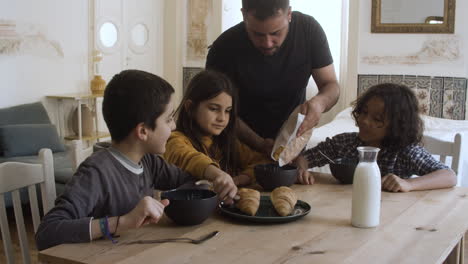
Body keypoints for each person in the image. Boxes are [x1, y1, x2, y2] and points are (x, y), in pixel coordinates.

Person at [36, 70, 198, 250]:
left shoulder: (148, 162)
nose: (173, 126)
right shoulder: (95, 172)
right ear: (143, 131)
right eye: (168, 120)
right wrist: (123, 222)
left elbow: (190, 183)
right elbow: (47, 232)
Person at [206, 0, 340, 155]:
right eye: (257, 34)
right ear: (243, 15)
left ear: (289, 14)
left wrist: (320, 103)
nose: (268, 43)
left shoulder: (308, 30)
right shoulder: (223, 48)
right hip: (237, 147)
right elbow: (216, 110)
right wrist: (259, 143)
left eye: (276, 33)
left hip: (290, 145)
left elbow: (330, 85)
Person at [294, 83, 456, 192]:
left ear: (397, 125)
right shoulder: (345, 143)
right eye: (363, 112)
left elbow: (449, 176)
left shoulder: (405, 152)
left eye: (377, 119)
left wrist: (409, 184)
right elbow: (305, 159)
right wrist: (301, 169)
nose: (364, 121)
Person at [164, 70, 272, 197]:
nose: (222, 118)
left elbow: (262, 162)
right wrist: (219, 175)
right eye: (214, 109)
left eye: (227, 111)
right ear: (190, 108)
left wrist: (240, 179)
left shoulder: (226, 142)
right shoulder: (174, 140)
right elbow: (191, 158)